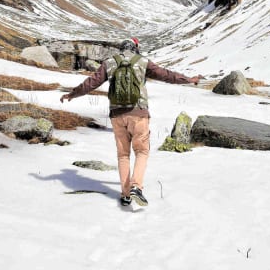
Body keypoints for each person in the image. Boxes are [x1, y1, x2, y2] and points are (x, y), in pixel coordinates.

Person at [60, 37, 201, 207]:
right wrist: (189, 80)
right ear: (136, 48)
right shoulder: (142, 62)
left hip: (117, 115)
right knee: (141, 152)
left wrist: (72, 94)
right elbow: (167, 75)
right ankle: (136, 187)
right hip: (138, 113)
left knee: (123, 155)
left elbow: (91, 83)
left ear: (121, 48)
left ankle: (126, 194)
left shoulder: (109, 63)